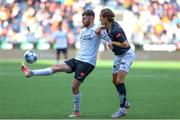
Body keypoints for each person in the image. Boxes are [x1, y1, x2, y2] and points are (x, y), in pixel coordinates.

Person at [21, 10, 111, 118]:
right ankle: (31, 73)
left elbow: (108, 38)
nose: (82, 20)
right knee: (57, 67)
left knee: (74, 87)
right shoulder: (82, 31)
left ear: (91, 18)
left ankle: (76, 112)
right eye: (82, 18)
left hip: (87, 63)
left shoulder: (97, 29)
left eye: (84, 18)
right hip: (78, 59)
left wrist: (111, 43)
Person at [97, 8, 135, 118]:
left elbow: (126, 44)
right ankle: (125, 101)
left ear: (106, 18)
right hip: (118, 56)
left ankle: (122, 109)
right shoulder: (109, 26)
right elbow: (104, 28)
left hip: (126, 55)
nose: (99, 18)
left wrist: (112, 42)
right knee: (114, 81)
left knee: (119, 80)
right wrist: (100, 27)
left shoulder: (116, 30)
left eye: (101, 17)